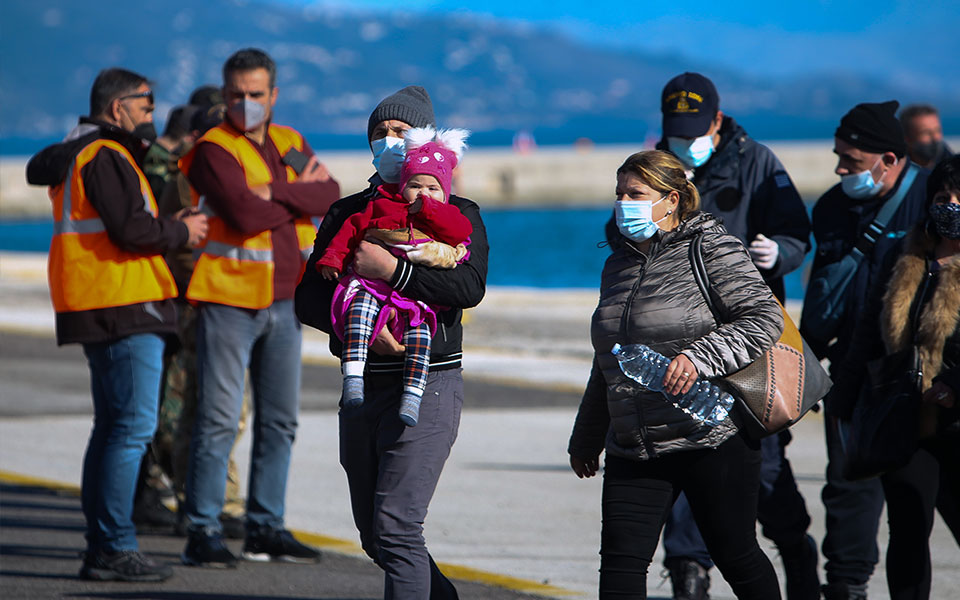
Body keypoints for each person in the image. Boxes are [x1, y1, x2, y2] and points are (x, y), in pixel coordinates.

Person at [296, 85, 488, 599]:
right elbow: (307, 298)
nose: (388, 141)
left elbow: (468, 288)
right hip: (362, 386)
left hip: (428, 384)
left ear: (425, 141)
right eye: (378, 134)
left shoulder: (460, 213)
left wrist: (394, 272)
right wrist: (355, 323)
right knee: (376, 535)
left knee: (399, 527)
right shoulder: (346, 213)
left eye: (400, 132)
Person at [568, 149, 785, 599]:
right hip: (635, 446)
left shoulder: (709, 246)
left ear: (671, 199)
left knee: (736, 556)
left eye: (637, 193)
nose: (624, 203)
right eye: (619, 194)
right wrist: (587, 436)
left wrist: (700, 357)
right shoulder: (618, 264)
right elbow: (609, 358)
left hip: (710, 434)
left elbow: (763, 317)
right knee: (620, 571)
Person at [24, 67, 208, 581]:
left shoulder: (85, 151)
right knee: (129, 430)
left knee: (113, 430)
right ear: (117, 108)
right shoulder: (104, 154)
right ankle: (113, 546)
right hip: (122, 305)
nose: (151, 116)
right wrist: (182, 229)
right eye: (146, 107)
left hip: (100, 302)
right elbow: (132, 229)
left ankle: (104, 546)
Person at [641, 72, 818, 600]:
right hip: (681, 349)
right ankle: (688, 575)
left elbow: (796, 231)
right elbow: (625, 234)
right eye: (675, 128)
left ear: (717, 121)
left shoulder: (757, 161)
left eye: (694, 127)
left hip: (748, 351)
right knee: (684, 461)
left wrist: (778, 252)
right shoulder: (658, 168)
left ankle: (797, 556)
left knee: (762, 463)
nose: (683, 137)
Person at [179, 48, 340, 568]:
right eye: (236, 95)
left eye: (255, 94)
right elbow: (245, 214)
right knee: (219, 421)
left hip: (287, 299)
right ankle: (201, 529)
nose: (245, 103)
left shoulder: (289, 140)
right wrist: (295, 194)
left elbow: (331, 194)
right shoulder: (212, 149)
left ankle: (265, 526)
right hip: (229, 298)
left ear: (273, 95)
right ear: (224, 95)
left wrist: (276, 190)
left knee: (281, 421)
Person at [802, 100, 930, 600]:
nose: (839, 169)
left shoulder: (933, 200)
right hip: (851, 373)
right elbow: (823, 293)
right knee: (847, 485)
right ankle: (846, 586)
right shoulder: (832, 208)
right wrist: (805, 367)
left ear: (890, 159)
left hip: (917, 373)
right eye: (838, 156)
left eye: (851, 161)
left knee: (915, 500)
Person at [831, 155, 960, 599]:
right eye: (943, 197)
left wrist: (954, 387)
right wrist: (843, 400)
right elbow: (868, 331)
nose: (951, 205)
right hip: (906, 418)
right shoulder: (905, 254)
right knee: (907, 529)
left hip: (957, 418)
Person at [318, 126, 472, 427]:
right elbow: (350, 231)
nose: (423, 194)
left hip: (413, 303)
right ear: (403, 185)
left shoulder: (454, 214)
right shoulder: (378, 206)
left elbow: (461, 241)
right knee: (358, 315)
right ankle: (352, 378)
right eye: (415, 186)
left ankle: (413, 397)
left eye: (432, 189)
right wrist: (332, 258)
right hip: (370, 287)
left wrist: (429, 210)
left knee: (419, 338)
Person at [900, 104, 953, 170]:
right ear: (906, 138)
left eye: (937, 130)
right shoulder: (895, 173)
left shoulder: (953, 169)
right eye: (926, 132)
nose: (935, 138)